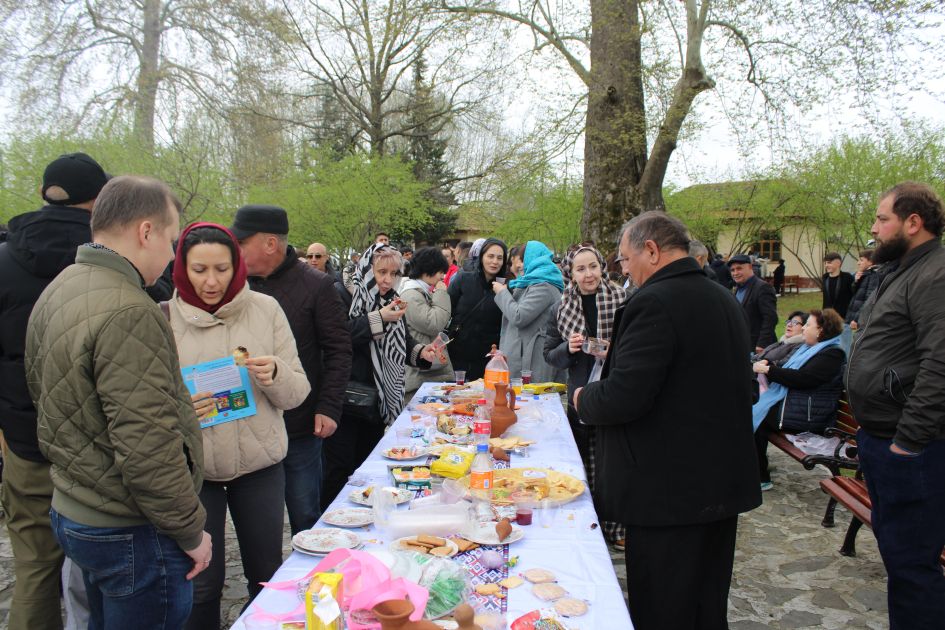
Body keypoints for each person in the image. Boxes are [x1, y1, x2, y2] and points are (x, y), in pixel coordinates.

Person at [25, 176, 211, 629]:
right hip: (129, 526)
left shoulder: (62, 286)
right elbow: (147, 445)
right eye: (171, 240)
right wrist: (190, 531)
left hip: (77, 507)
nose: (171, 256)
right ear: (146, 232)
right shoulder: (129, 309)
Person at [573, 211, 761, 630]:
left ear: (652, 250)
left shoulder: (654, 302)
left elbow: (625, 396)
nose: (624, 270)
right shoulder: (723, 298)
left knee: (664, 607)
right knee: (706, 604)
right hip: (718, 482)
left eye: (625, 259)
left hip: (668, 492)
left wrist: (584, 399)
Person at [168, 223, 310, 629]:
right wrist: (180, 410)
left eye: (222, 269)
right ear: (182, 268)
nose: (211, 281)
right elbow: (148, 406)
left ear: (237, 266)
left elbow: (298, 392)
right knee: (201, 583)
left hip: (259, 465)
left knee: (266, 574)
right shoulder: (162, 318)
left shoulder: (266, 310)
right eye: (199, 270)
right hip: (196, 471)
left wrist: (276, 374)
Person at [0, 152, 107, 630]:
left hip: (26, 442)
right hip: (98, 442)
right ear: (99, 199)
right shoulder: (110, 260)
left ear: (44, 193)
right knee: (107, 571)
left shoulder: (4, 260)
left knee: (36, 570)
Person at [846, 181, 945, 630]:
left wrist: (908, 442)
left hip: (911, 449)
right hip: (881, 438)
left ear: (913, 222)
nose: (874, 228)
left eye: (882, 218)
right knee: (900, 558)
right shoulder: (903, 269)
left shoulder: (935, 274)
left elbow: (939, 364)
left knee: (911, 565)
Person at [231, 206, 352, 532]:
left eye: (242, 243)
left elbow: (339, 351)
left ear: (270, 243)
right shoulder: (234, 285)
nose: (235, 251)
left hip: (299, 425)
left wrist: (329, 407)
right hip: (249, 422)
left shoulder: (318, 286)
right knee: (258, 526)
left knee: (305, 514)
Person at [324, 244, 439, 504]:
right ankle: (331, 516)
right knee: (338, 469)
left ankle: (364, 512)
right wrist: (377, 318)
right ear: (367, 270)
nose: (387, 280)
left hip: (378, 400)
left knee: (367, 465)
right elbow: (338, 336)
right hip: (345, 399)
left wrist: (422, 352)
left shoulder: (391, 298)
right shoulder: (341, 293)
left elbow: (402, 340)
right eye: (381, 272)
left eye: (394, 273)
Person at [543, 243, 628, 551]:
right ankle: (587, 525)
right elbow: (549, 354)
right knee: (583, 462)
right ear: (571, 273)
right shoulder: (561, 307)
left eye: (593, 266)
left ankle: (616, 525)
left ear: (602, 267)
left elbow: (638, 344)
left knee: (614, 463)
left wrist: (613, 350)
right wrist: (569, 348)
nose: (589, 274)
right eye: (581, 269)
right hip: (581, 393)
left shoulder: (623, 300)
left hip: (616, 390)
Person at [752, 308, 845, 490]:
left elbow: (804, 379)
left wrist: (769, 370)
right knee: (753, 411)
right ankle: (754, 470)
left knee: (755, 415)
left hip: (810, 415)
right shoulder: (808, 349)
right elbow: (786, 368)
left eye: (808, 325)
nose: (803, 328)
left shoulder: (833, 354)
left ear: (820, 330)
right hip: (797, 407)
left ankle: (760, 476)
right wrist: (769, 364)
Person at [493, 241, 563, 382]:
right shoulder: (534, 282)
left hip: (532, 361)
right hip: (525, 356)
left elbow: (519, 317)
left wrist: (501, 293)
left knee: (530, 396)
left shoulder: (544, 287)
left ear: (533, 259)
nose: (521, 265)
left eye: (523, 260)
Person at [447, 237, 508, 380]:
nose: (495, 261)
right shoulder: (463, 278)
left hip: (489, 356)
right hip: (459, 351)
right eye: (490, 256)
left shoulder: (507, 285)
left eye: (499, 258)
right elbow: (448, 307)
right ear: (481, 257)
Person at [401, 247, 453, 393]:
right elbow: (434, 323)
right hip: (421, 372)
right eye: (440, 272)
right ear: (427, 270)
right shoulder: (411, 296)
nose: (442, 276)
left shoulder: (421, 291)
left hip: (427, 369)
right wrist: (441, 292)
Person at [729, 253, 778, 354]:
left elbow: (770, 318)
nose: (735, 273)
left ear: (750, 267)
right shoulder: (738, 288)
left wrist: (762, 344)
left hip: (758, 347)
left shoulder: (762, 287)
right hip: (743, 344)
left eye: (739, 268)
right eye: (732, 270)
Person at [846, 248, 879, 330]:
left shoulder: (874, 276)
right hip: (857, 318)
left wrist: (856, 319)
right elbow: (856, 294)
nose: (858, 263)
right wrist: (856, 281)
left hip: (862, 320)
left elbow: (869, 300)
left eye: (861, 260)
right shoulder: (866, 275)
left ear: (870, 262)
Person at [821, 251, 855, 318]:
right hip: (827, 316)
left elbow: (854, 296)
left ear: (838, 263)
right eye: (825, 263)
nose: (826, 265)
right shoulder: (825, 277)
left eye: (829, 263)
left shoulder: (847, 277)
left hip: (844, 317)